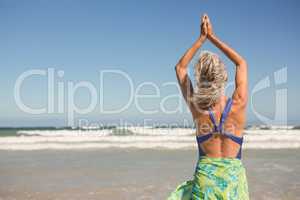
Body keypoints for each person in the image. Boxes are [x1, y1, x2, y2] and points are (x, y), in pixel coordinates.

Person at [167, 14, 249, 200]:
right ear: (225, 77)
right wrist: (212, 37)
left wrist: (201, 38)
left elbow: (180, 68)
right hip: (232, 184)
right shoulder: (239, 102)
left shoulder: (197, 106)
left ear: (201, 79)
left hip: (205, 182)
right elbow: (241, 63)